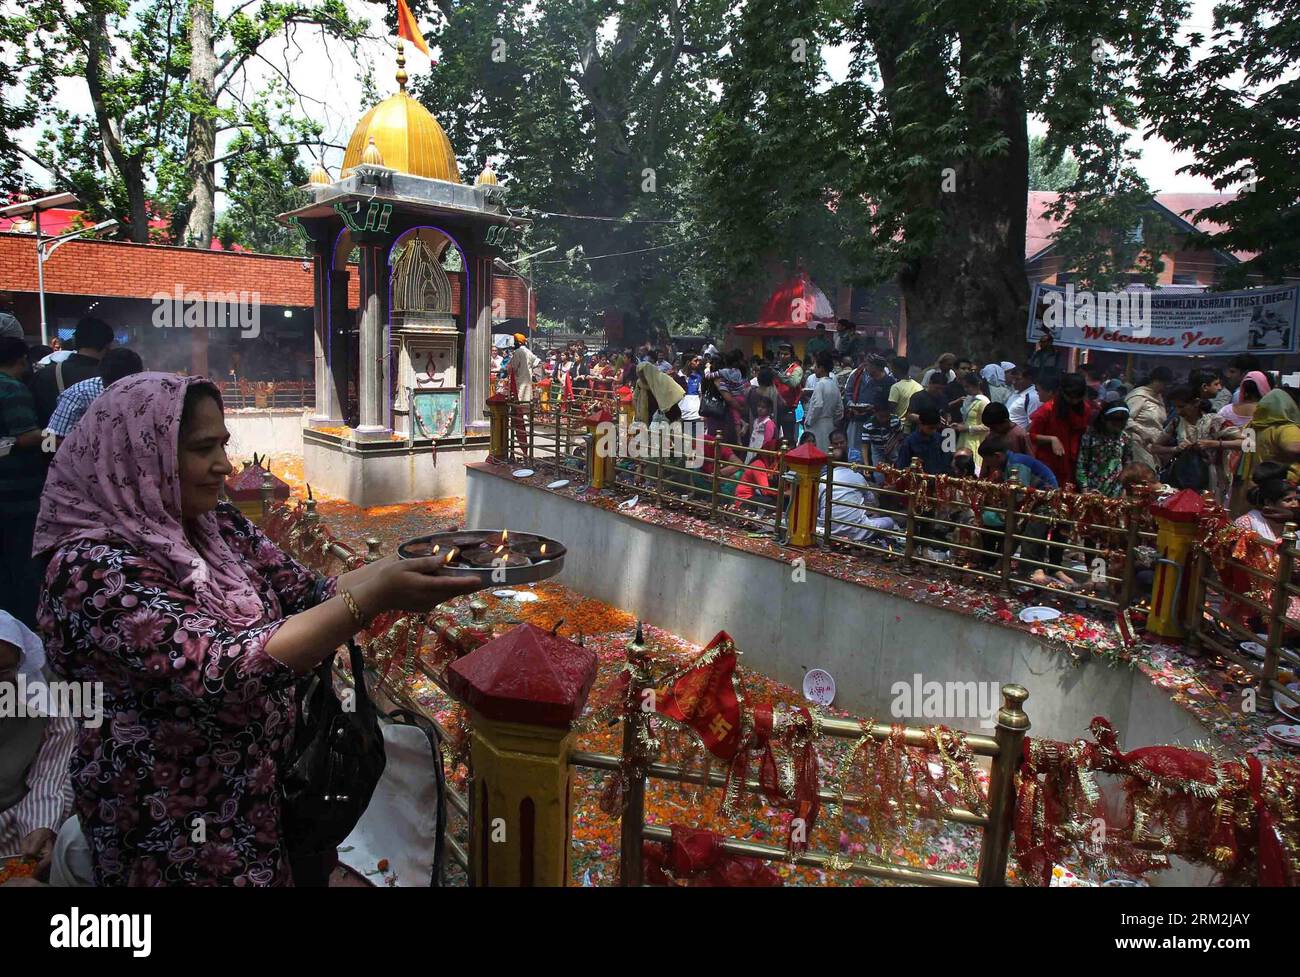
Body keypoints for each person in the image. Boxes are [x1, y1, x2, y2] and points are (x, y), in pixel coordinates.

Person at [35, 374, 486, 885]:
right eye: (202, 449)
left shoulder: (214, 523)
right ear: (139, 458)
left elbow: (312, 593)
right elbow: (220, 670)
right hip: (171, 822)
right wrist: (377, 594)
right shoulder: (91, 569)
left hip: (263, 795)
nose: (224, 466)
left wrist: (418, 564)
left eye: (223, 445)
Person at [0, 611, 76, 877]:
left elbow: (55, 762)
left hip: (15, 818)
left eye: (3, 671)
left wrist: (41, 824)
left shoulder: (38, 682)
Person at [0, 337, 47, 630]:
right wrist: (56, 435)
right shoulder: (12, 388)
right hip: (17, 494)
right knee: (23, 563)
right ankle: (26, 626)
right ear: (21, 360)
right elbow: (26, 435)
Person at [46, 347, 145, 443]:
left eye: (127, 387)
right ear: (103, 377)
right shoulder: (78, 395)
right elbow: (50, 440)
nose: (119, 392)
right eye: (113, 386)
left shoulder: (145, 391)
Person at [30, 316, 114, 426]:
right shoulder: (113, 377)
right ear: (107, 345)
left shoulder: (45, 375)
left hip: (53, 441)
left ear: (75, 341)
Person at [819, 430, 897, 543]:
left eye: (842, 442)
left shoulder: (823, 480)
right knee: (889, 521)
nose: (840, 445)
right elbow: (869, 498)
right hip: (856, 531)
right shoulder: (855, 476)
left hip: (827, 529)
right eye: (836, 444)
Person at [1029, 372, 1096, 489]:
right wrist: (1051, 439)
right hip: (1051, 462)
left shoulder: (1086, 409)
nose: (1074, 401)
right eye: (1070, 396)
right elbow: (1030, 436)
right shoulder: (1048, 409)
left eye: (1078, 397)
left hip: (1076, 463)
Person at [1075, 401, 1134, 497]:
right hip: (1093, 488)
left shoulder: (1125, 438)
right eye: (1115, 424)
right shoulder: (1090, 437)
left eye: (1122, 423)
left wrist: (1125, 487)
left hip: (1116, 489)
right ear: (1104, 419)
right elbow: (1081, 463)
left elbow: (1127, 462)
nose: (1118, 427)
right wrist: (1084, 489)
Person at [1124, 366, 1172, 472]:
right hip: (1138, 443)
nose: (1166, 387)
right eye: (1165, 384)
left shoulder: (1159, 397)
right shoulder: (1138, 396)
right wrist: (1141, 432)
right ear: (1156, 381)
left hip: (1154, 446)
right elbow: (1125, 418)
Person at [951, 372, 990, 471]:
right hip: (964, 438)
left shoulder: (984, 402)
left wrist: (968, 428)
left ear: (977, 385)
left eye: (968, 387)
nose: (966, 389)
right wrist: (960, 425)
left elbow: (988, 426)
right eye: (964, 387)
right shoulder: (969, 399)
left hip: (976, 440)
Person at [804, 352, 843, 451]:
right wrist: (834, 421)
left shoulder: (820, 384)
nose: (814, 368)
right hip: (830, 424)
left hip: (817, 425)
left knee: (817, 452)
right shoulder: (834, 385)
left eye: (815, 366)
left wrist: (809, 421)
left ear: (821, 368)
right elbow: (839, 408)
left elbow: (817, 405)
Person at [897, 407, 952, 475]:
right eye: (931, 428)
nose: (933, 431)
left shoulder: (940, 440)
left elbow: (946, 464)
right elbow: (902, 466)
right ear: (921, 424)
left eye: (935, 428)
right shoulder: (909, 442)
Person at [863, 394, 903, 469]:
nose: (884, 419)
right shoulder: (868, 425)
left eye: (887, 416)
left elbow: (900, 434)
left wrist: (892, 445)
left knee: (896, 467)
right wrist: (866, 466)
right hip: (876, 448)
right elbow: (865, 446)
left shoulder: (895, 420)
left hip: (892, 446)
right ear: (875, 412)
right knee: (878, 471)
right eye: (881, 416)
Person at [887, 356, 922, 432]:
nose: (891, 371)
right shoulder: (919, 386)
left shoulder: (895, 387)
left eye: (892, 368)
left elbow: (891, 410)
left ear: (897, 369)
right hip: (914, 428)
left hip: (899, 429)